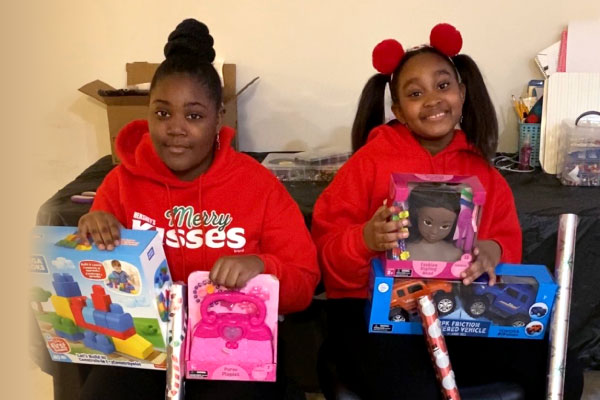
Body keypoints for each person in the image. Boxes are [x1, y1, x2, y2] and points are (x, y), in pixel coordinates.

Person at [312, 24, 583, 399]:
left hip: (462, 314)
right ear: (398, 110)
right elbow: (325, 258)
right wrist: (365, 239)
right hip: (374, 315)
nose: (432, 100)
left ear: (462, 92)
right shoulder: (367, 164)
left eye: (443, 86)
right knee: (414, 388)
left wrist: (492, 252)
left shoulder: (484, 173)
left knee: (559, 366)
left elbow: (505, 248)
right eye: (415, 93)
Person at [75, 18, 319, 400]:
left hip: (234, 343)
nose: (175, 128)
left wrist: (260, 267)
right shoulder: (121, 183)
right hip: (148, 348)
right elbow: (93, 278)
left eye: (193, 115)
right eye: (162, 113)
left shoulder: (258, 186)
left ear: (219, 117)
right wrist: (91, 231)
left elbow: (304, 283)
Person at [404, 187, 463, 262]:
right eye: (428, 223)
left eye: (444, 226)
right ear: (416, 215)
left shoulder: (455, 254)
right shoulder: (405, 249)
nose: (434, 232)